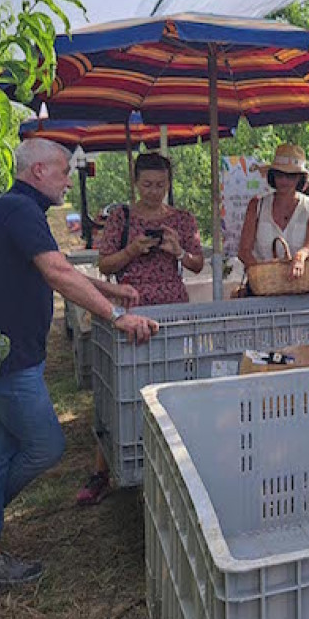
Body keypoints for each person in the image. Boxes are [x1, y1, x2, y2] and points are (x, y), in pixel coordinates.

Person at [0, 139, 157, 588]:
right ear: (38, 170)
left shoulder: (11, 211)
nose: (69, 180)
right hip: (7, 358)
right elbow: (58, 273)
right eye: (64, 171)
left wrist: (110, 290)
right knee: (46, 446)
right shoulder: (21, 211)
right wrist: (118, 316)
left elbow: (55, 267)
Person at [76, 152, 203, 505]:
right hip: (129, 307)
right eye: (147, 184)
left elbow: (196, 264)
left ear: (169, 184)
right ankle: (105, 467)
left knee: (174, 380)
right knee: (123, 385)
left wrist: (178, 251)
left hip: (172, 308)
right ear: (135, 183)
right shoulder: (122, 217)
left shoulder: (182, 219)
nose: (153, 191)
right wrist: (133, 249)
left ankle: (176, 459)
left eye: (160, 185)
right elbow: (105, 265)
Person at [237, 143, 309, 287]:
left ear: (300, 178)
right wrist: (262, 274)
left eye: (290, 176)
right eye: (279, 175)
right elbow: (244, 250)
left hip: (299, 287)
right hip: (262, 290)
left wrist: (300, 257)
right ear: (272, 176)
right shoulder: (257, 204)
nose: (284, 181)